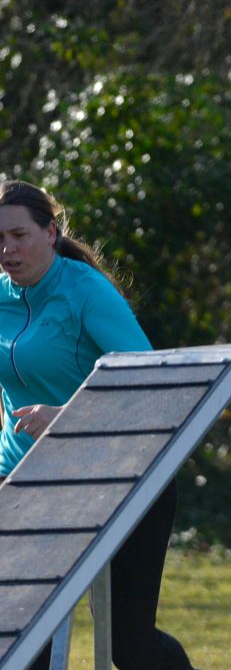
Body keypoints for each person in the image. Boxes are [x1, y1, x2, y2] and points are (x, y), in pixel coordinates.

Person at [0, 180, 197, 670]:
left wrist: (65, 420)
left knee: (126, 645)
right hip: (21, 479)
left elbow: (151, 389)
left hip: (117, 478)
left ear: (51, 231)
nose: (7, 250)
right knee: (16, 638)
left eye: (19, 235)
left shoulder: (85, 291)